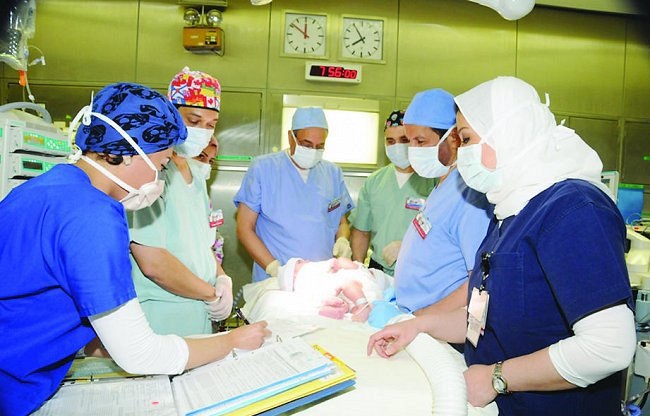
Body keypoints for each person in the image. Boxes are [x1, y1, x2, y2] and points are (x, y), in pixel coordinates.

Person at [367, 76, 636, 415]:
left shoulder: (572, 209)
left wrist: (498, 377)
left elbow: (609, 347)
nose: (461, 155)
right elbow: (482, 315)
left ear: (508, 133)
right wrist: (420, 325)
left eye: (466, 140)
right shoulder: (510, 211)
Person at [0, 82, 269, 416]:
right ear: (128, 152)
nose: (160, 177)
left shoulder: (44, 189)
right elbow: (138, 355)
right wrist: (231, 341)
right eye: (162, 164)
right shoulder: (94, 214)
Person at [128, 67, 231, 336]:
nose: (202, 132)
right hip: (161, 317)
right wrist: (210, 293)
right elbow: (153, 262)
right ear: (170, 116)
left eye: (211, 125)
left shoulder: (196, 176)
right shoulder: (152, 173)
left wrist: (221, 277)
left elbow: (202, 244)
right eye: (193, 121)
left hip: (197, 313)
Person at [393, 88, 492, 315]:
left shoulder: (470, 196)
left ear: (454, 139)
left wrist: (424, 318)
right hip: (416, 318)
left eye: (421, 141)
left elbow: (478, 283)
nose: (413, 151)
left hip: (440, 326)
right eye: (410, 141)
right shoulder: (442, 186)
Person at [234, 107, 354, 282]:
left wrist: (343, 239)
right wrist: (273, 268)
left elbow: (340, 221)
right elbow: (244, 228)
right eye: (306, 144)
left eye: (319, 146)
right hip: (274, 279)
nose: (313, 151)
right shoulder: (263, 169)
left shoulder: (332, 173)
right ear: (291, 137)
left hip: (321, 278)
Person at [349, 110, 436, 275]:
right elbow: (361, 231)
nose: (397, 146)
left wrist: (408, 246)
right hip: (378, 269)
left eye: (403, 140)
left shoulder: (433, 180)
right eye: (390, 141)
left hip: (418, 270)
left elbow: (441, 232)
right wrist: (358, 268)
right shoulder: (374, 182)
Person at [278, 257, 392, 322]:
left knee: (348, 285)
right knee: (345, 296)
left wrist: (339, 264)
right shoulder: (311, 270)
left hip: (357, 282)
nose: (306, 260)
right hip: (350, 291)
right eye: (300, 261)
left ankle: (361, 307)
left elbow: (351, 267)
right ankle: (349, 308)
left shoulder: (309, 277)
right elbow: (334, 264)